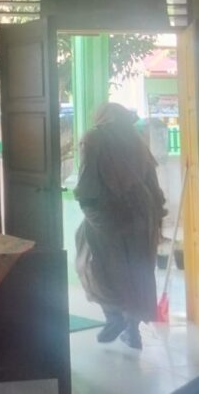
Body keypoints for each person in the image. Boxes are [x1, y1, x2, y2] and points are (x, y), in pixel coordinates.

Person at [74, 103, 166, 349]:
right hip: (142, 214)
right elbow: (152, 181)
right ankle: (132, 330)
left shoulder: (93, 139)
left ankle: (114, 316)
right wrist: (157, 213)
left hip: (109, 212)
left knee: (94, 265)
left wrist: (89, 208)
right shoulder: (136, 140)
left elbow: (87, 181)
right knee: (137, 273)